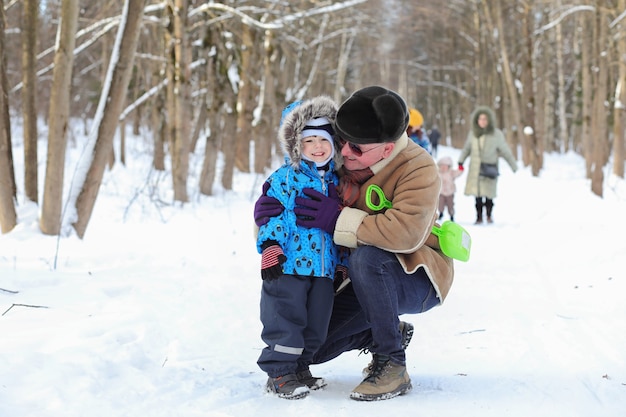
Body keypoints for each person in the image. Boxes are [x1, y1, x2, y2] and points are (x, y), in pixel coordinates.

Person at [254, 86, 455, 401]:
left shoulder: (419, 168)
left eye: (357, 149)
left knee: (369, 259)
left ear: (387, 149)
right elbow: (291, 187)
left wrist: (337, 219)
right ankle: (384, 332)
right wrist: (268, 221)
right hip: (355, 276)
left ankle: (392, 364)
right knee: (313, 347)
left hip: (415, 272)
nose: (345, 153)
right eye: (342, 141)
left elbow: (405, 234)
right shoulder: (336, 157)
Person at [256, 96, 345, 400]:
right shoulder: (285, 179)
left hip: (323, 268)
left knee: (316, 322)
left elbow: (341, 226)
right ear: (296, 145)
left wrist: (343, 259)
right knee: (285, 318)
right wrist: (270, 246)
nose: (317, 146)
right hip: (289, 265)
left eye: (323, 138)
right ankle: (280, 372)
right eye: (309, 141)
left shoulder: (337, 182)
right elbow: (270, 212)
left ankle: (301, 367)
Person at [458, 106, 518, 224]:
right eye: (480, 119)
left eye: (485, 119)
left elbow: (505, 151)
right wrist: (461, 161)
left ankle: (489, 215)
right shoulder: (473, 133)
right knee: (478, 195)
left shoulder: (496, 134)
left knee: (489, 194)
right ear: (476, 120)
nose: (483, 121)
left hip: (489, 168)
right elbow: (467, 148)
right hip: (476, 169)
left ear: (489, 120)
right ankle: (479, 217)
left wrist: (513, 165)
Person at [437, 155, 463, 222]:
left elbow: (458, 173)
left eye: (445, 166)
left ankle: (451, 215)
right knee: (440, 204)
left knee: (450, 205)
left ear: (449, 167)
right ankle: (441, 213)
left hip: (450, 193)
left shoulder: (451, 173)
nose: (443, 168)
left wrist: (460, 168)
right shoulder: (438, 173)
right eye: (442, 166)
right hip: (441, 192)